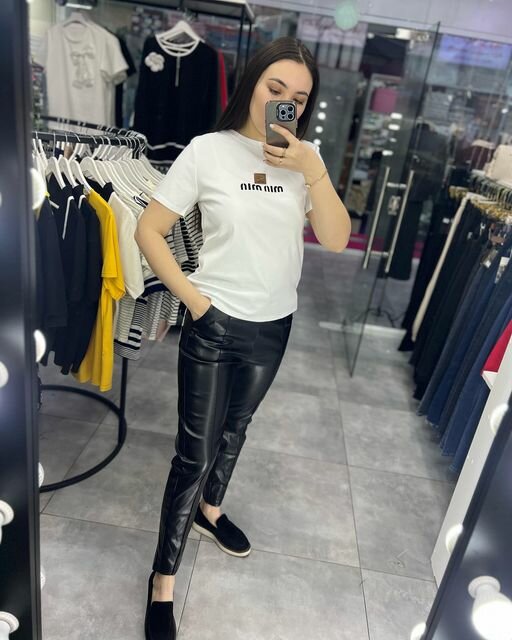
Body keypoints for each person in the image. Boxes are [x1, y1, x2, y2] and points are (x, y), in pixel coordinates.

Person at [135, 36, 351, 640]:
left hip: (274, 324)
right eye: (275, 88)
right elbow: (149, 230)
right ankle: (162, 581)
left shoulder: (305, 162)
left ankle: (211, 511)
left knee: (236, 430)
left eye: (298, 98)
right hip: (214, 321)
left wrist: (313, 169)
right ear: (253, 84)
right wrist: (195, 302)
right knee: (193, 454)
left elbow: (337, 239)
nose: (285, 103)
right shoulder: (208, 151)